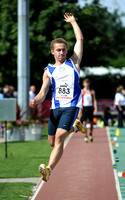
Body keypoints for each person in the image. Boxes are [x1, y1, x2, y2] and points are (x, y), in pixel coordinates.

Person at [29, 13, 86, 182]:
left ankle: (48, 170)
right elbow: (42, 92)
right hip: (56, 108)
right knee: (53, 143)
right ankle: (76, 127)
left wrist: (73, 22)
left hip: (71, 106)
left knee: (61, 137)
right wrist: (36, 100)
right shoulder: (48, 71)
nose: (62, 52)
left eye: (64, 50)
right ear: (53, 52)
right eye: (58, 50)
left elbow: (80, 41)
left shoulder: (73, 63)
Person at [77, 78, 97, 142]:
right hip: (84, 108)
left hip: (90, 108)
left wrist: (96, 108)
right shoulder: (82, 91)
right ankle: (85, 135)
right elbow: (80, 101)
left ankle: (91, 134)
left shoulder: (92, 92)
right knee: (84, 122)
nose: (87, 84)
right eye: (86, 83)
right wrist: (80, 111)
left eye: (88, 82)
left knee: (91, 122)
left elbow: (94, 100)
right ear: (83, 84)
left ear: (89, 84)